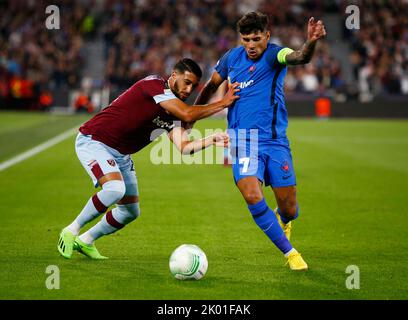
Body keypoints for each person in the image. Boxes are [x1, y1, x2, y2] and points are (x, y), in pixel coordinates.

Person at [57, 58, 240, 259]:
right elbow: (187, 114)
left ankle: (85, 240)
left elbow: (185, 147)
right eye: (187, 82)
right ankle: (70, 230)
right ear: (174, 76)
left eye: (194, 85)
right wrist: (223, 102)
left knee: (129, 212)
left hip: (121, 154)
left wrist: (210, 139)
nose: (189, 89)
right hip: (95, 141)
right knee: (115, 190)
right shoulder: (153, 85)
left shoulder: (173, 112)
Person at [195, 12, 326, 270]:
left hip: (275, 142)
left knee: (289, 208)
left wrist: (311, 42)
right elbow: (211, 85)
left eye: (256, 38)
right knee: (251, 194)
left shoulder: (275, 54)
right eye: (246, 39)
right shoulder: (231, 58)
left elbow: (300, 57)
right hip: (244, 141)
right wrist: (194, 114)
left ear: (267, 35)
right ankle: (291, 254)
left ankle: (285, 220)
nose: (251, 45)